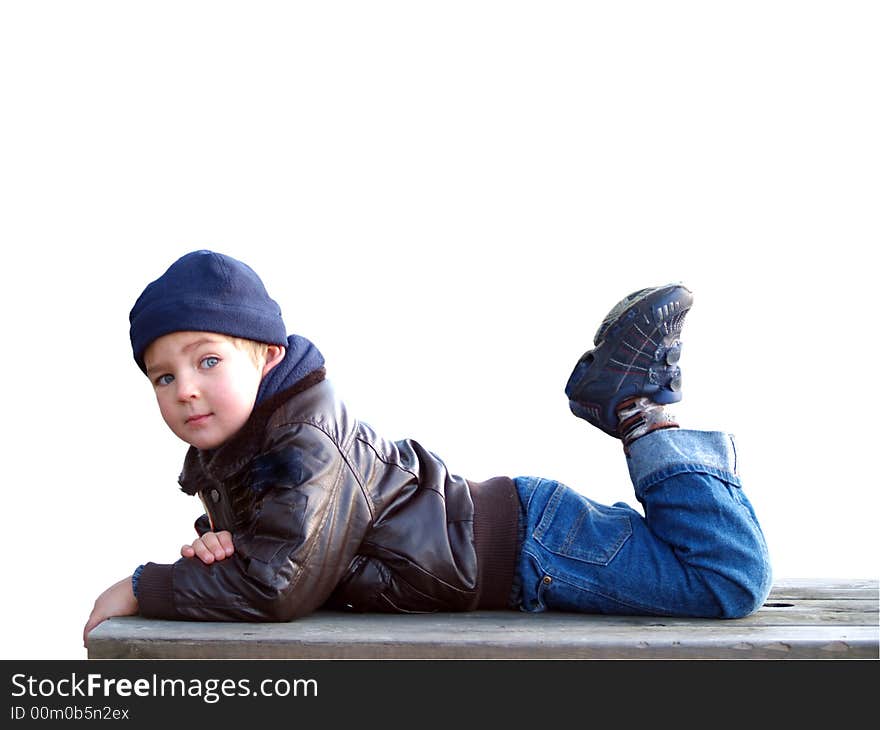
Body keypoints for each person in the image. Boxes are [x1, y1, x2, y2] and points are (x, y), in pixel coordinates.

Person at [83, 250, 772, 645]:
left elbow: (278, 586)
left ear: (267, 357)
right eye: (162, 376)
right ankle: (629, 405)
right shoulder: (248, 449)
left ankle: (635, 408)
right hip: (525, 544)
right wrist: (219, 543)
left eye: (207, 362)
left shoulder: (306, 439)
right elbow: (280, 552)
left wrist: (148, 586)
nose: (184, 391)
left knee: (727, 579)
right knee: (702, 568)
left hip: (533, 551)